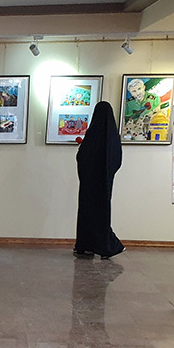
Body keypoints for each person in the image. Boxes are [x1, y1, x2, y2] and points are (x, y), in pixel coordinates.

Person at [74, 101, 124, 259]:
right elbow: (116, 160)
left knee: (86, 212)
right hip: (104, 184)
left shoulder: (92, 135)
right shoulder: (113, 138)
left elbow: (81, 157)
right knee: (102, 213)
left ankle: (84, 245)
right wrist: (107, 174)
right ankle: (105, 246)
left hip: (88, 184)